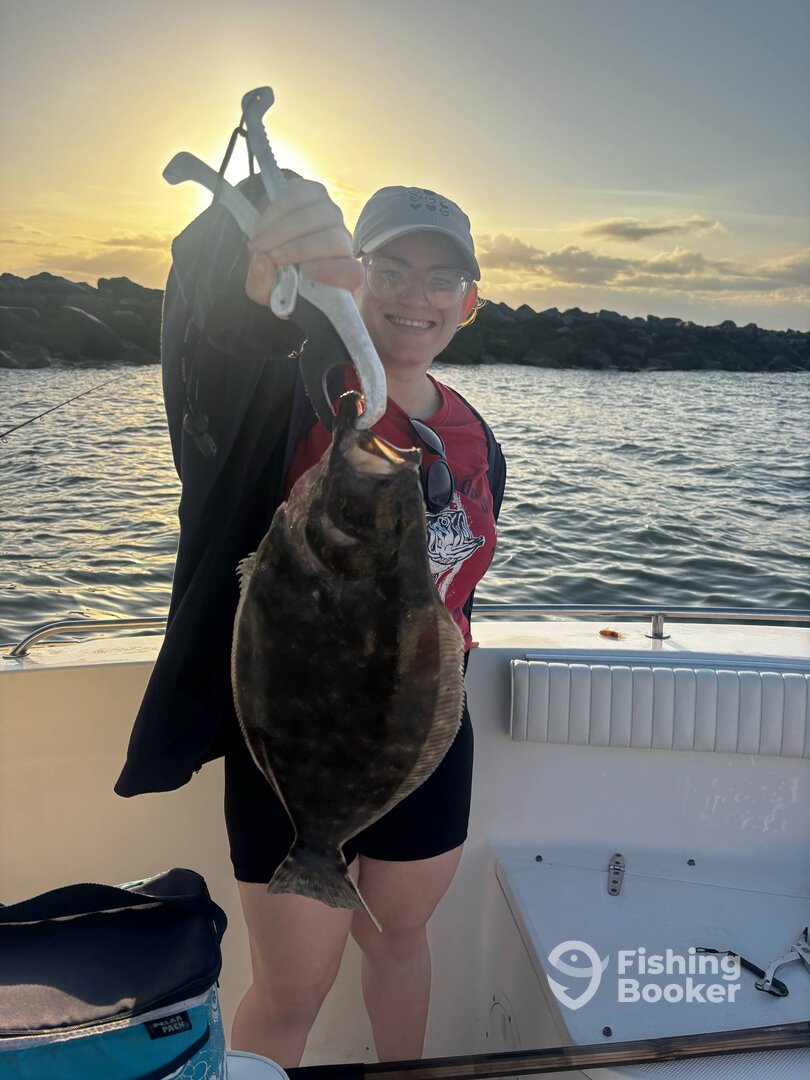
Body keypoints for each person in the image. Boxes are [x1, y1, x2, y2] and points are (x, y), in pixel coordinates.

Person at [115, 173, 506, 1066]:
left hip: (420, 736)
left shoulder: (477, 435)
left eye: (441, 276)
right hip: (291, 739)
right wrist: (253, 239)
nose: (415, 293)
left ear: (468, 301)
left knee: (400, 939)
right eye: (389, 269)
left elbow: (456, 591)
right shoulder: (281, 392)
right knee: (292, 987)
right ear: (349, 276)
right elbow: (219, 334)